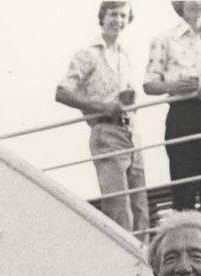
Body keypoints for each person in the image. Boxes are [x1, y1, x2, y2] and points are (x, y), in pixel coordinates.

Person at [55, 2, 148, 237]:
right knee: (119, 209)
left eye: (123, 16)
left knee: (141, 209)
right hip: (106, 132)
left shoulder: (126, 55)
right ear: (103, 17)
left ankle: (145, 267)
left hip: (132, 134)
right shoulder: (89, 54)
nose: (118, 20)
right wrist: (102, 107)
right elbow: (63, 91)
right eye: (113, 15)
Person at [143, 1, 201, 220]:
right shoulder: (164, 39)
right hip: (181, 114)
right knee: (184, 190)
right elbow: (149, 84)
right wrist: (174, 87)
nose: (196, 2)